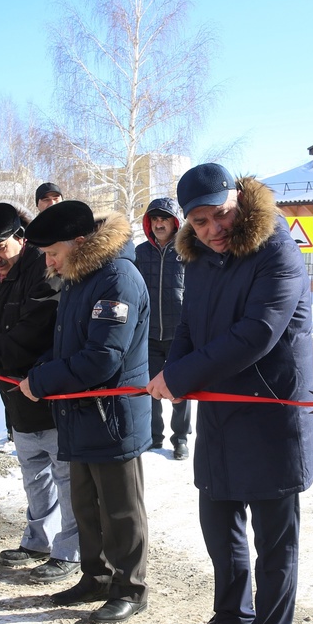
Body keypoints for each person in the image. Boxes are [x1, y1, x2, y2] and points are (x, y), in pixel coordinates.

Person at [146, 163, 313, 624]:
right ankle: (232, 615)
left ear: (239, 203)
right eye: (199, 222)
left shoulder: (277, 249)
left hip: (272, 415)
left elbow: (257, 334)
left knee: (275, 540)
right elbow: (190, 328)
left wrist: (181, 376)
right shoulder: (197, 259)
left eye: (219, 215)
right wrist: (170, 370)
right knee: (219, 523)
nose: (212, 229)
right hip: (222, 413)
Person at [20, 200, 151, 624]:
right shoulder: (80, 276)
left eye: (52, 252)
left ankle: (129, 587)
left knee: (120, 508)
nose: (49, 261)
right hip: (80, 413)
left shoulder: (118, 278)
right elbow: (69, 346)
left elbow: (103, 358)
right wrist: (39, 370)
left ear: (79, 243)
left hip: (112, 416)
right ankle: (95, 576)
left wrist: (41, 383)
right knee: (86, 503)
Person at [0, 203, 80, 584]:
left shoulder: (45, 270)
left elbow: (33, 333)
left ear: (20, 239)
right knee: (34, 473)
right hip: (13, 394)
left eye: (0, 248)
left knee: (66, 477)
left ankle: (70, 550)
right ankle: (38, 540)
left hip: (48, 391)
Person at [132, 196, 191, 460]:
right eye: (154, 219)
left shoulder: (189, 249)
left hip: (180, 333)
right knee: (150, 388)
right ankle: (153, 436)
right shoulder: (139, 253)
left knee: (180, 389)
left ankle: (180, 439)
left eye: (164, 218)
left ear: (174, 221)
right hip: (149, 333)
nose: (159, 223)